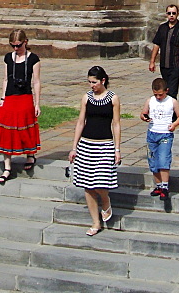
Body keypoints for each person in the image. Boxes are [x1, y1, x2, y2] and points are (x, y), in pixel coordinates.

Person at [68, 65, 121, 236]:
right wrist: (74, 147)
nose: (92, 85)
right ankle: (95, 222)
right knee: (87, 185)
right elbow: (80, 122)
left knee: (100, 181)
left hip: (104, 144)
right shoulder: (86, 98)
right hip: (86, 144)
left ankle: (105, 201)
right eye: (89, 82)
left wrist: (117, 149)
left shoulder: (113, 98)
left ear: (103, 80)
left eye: (94, 82)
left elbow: (116, 124)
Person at [0, 29, 41, 183]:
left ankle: (30, 154)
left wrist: (37, 103)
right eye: (13, 46)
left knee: (25, 126)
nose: (16, 49)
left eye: (18, 45)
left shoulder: (33, 59)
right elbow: (5, 79)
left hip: (25, 97)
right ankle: (7, 167)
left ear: (26, 42)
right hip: (10, 96)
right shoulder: (8, 58)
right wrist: (2, 98)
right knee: (6, 128)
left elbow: (36, 82)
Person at [140, 77, 179, 201]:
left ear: (166, 91)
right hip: (152, 133)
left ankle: (165, 186)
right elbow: (143, 113)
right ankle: (158, 185)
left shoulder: (172, 101)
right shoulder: (150, 101)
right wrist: (144, 117)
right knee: (153, 161)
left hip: (165, 134)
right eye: (156, 94)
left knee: (163, 159)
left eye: (161, 94)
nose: (158, 97)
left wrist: (174, 124)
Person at [148, 4, 179, 99]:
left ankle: (173, 111)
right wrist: (152, 62)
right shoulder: (162, 28)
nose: (171, 15)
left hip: (175, 64)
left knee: (172, 90)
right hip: (164, 64)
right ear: (166, 14)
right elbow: (156, 45)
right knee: (165, 88)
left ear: (177, 14)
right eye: (169, 13)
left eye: (174, 13)